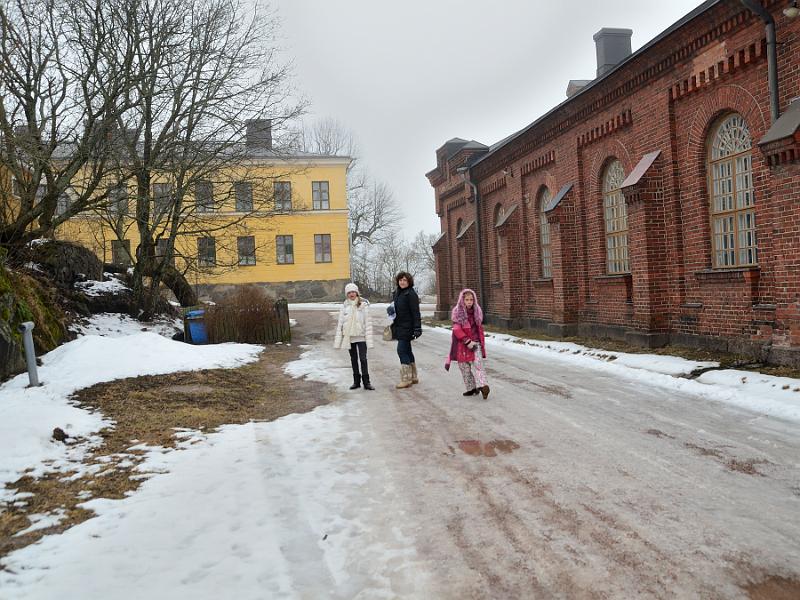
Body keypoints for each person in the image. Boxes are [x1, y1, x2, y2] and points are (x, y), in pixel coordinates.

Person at [449, 288, 490, 399]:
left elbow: (479, 329)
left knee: (478, 365)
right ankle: (472, 388)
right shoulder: (458, 313)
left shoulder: (477, 312)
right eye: (467, 300)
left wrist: (479, 343)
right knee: (464, 367)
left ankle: (483, 386)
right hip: (463, 344)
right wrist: (467, 341)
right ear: (462, 300)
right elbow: (457, 329)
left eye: (471, 300)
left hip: (475, 343)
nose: (469, 302)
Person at [334, 282, 375, 390]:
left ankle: (367, 382)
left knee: (363, 359)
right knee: (353, 359)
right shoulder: (344, 306)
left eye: (353, 292)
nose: (351, 294)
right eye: (349, 292)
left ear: (357, 293)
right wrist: (338, 340)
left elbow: (368, 323)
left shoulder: (363, 305)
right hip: (349, 338)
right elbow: (340, 324)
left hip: (361, 337)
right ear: (347, 294)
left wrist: (369, 339)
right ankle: (356, 382)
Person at [388, 271, 422, 389]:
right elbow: (396, 308)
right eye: (401, 280)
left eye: (405, 280)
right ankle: (413, 377)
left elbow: (416, 312)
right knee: (407, 351)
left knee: (401, 351)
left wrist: (417, 328)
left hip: (408, 327)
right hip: (399, 326)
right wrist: (391, 310)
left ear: (409, 282)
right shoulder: (398, 293)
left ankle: (406, 379)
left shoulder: (411, 294)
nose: (402, 282)